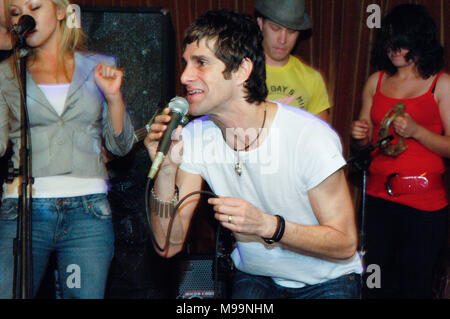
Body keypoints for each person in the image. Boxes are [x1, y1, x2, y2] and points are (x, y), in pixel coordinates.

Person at [145, 9, 362, 299]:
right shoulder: (195, 136)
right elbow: (168, 245)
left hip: (326, 282)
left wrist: (266, 225)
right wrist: (167, 169)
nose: (185, 76)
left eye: (201, 63)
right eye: (186, 64)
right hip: (256, 277)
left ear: (242, 71)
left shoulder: (309, 137)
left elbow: (345, 242)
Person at [0, 0, 135, 298]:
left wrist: (113, 98)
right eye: (16, 12)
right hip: (23, 210)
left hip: (87, 212)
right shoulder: (6, 74)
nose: (26, 16)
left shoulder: (100, 66)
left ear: (61, 11)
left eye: (35, 7)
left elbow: (121, 146)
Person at [351, 4, 449, 299]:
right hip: (378, 200)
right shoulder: (376, 81)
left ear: (419, 41)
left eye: (402, 42)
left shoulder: (440, 84)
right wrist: (359, 136)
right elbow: (364, 145)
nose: (394, 49)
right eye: (390, 41)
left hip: (424, 206)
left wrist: (418, 131)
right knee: (375, 284)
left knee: (414, 287)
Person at [254, 0, 331, 122]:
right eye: (275, 28)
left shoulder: (312, 79)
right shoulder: (239, 71)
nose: (283, 39)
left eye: (292, 31)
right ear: (260, 23)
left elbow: (321, 136)